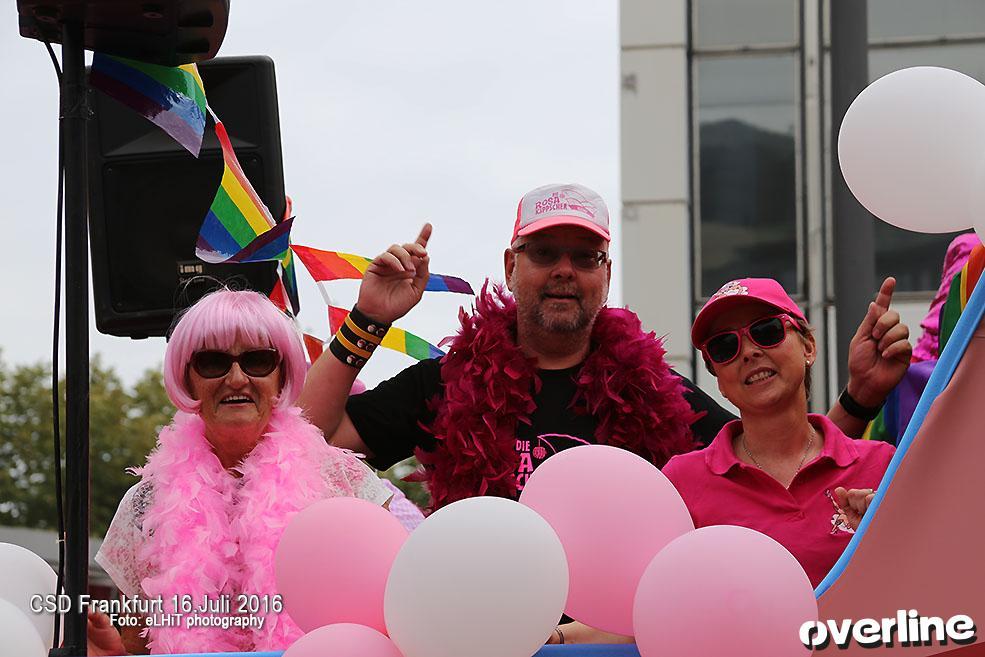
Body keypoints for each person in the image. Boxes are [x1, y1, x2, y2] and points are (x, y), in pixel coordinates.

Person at [300, 183, 908, 509]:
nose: (564, 270)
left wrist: (857, 399)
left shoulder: (655, 390)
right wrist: (367, 320)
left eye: (584, 257)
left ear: (606, 275)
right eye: (544, 254)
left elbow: (777, 469)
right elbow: (306, 439)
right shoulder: (449, 380)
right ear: (510, 267)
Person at [89, 290, 391, 656]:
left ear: (282, 377)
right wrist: (110, 654)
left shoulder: (342, 480)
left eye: (258, 361)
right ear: (188, 381)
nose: (236, 378)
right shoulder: (145, 504)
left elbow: (389, 619)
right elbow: (137, 647)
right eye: (213, 362)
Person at [662, 278, 901, 589]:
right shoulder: (681, 481)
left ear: (808, 347)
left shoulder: (883, 464)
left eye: (766, 331)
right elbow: (646, 605)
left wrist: (889, 539)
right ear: (719, 381)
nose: (748, 352)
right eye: (724, 346)